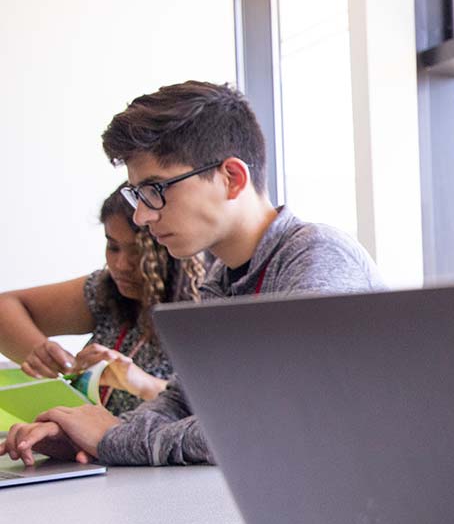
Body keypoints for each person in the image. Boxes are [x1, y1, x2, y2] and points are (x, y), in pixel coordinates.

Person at [3, 81, 384, 467]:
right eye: (138, 195)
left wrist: (113, 438)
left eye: (155, 189)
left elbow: (280, 427)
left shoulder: (315, 256)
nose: (142, 215)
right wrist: (81, 433)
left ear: (231, 178)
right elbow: (186, 402)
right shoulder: (222, 280)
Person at [0, 186, 207, 415]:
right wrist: (42, 353)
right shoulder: (105, 289)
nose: (120, 265)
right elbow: (4, 310)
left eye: (138, 251)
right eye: (113, 246)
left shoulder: (206, 307)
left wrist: (142, 383)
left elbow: (213, 412)